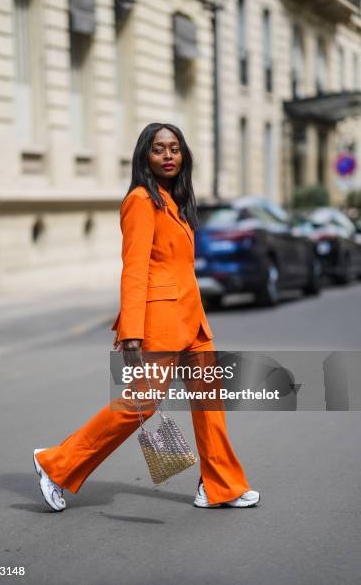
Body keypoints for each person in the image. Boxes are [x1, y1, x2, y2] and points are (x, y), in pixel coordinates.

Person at [33, 123, 260, 512]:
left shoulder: (175, 200)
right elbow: (134, 269)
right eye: (159, 149)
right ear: (145, 156)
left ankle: (220, 485)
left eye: (174, 148)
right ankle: (56, 464)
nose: (168, 155)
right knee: (141, 404)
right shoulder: (141, 200)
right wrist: (133, 331)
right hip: (159, 321)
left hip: (193, 322)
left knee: (209, 402)